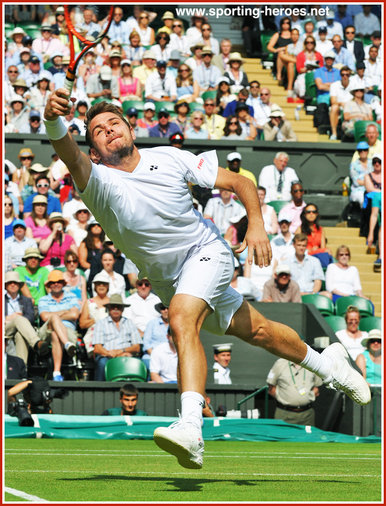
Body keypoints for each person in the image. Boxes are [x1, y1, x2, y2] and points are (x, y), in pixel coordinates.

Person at [43, 89, 371, 469]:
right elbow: (68, 151)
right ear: (95, 151)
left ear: (130, 128)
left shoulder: (169, 156)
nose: (109, 129)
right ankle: (330, 366)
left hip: (207, 252)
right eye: (98, 130)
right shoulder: (96, 181)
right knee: (259, 331)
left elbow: (240, 183)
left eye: (115, 122)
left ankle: (191, 429)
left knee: (182, 317)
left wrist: (257, 228)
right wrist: (52, 119)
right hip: (168, 279)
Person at [38, 270, 81, 381]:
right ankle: (67, 344)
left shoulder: (71, 296)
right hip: (46, 330)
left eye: (59, 281)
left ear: (63, 283)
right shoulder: (43, 299)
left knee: (55, 334)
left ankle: (56, 373)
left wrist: (53, 316)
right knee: (54, 320)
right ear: (49, 285)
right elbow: (44, 317)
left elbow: (75, 315)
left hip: (68, 330)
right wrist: (64, 312)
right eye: (52, 282)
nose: (56, 284)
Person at [92, 294, 141, 381]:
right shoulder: (101, 323)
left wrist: (121, 351)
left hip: (127, 355)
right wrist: (110, 354)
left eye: (118, 307)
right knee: (102, 363)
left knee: (140, 363)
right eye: (113, 307)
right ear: (108, 308)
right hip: (107, 356)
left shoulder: (130, 323)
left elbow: (137, 347)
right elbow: (97, 348)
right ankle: (99, 390)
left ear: (122, 309)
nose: (115, 309)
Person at [5, 271, 49, 365]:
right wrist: (9, 318)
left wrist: (17, 319)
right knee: (18, 319)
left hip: (21, 328)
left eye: (15, 283)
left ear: (19, 285)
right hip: (4, 328)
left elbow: (30, 318)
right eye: (10, 283)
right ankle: (36, 343)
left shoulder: (26, 300)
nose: (13, 285)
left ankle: (22, 370)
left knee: (20, 334)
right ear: (5, 285)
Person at [267, 358, 323, 426]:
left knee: (308, 436)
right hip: (284, 414)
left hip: (307, 415)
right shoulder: (280, 363)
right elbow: (271, 388)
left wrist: (307, 397)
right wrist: (285, 399)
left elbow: (316, 388)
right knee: (283, 436)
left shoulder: (312, 364)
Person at [79, 272, 109, 358]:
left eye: (104, 284)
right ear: (95, 286)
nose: (101, 286)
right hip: (94, 333)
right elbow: (82, 324)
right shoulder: (89, 303)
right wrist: (96, 319)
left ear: (107, 286)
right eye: (98, 284)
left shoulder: (113, 301)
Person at [142, 303, 169, 369]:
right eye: (163, 308)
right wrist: (156, 357)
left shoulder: (177, 324)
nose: (166, 310)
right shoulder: (152, 323)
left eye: (168, 308)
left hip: (171, 356)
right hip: (152, 355)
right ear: (160, 311)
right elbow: (146, 343)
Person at [329, 66, 353, 140]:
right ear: (340, 75)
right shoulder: (334, 85)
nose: (345, 77)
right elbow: (333, 101)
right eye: (343, 75)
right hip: (340, 107)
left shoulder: (354, 85)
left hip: (351, 107)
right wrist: (342, 104)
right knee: (334, 108)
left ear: (350, 75)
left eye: (347, 75)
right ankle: (334, 133)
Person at [266, 16, 292, 84]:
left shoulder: (293, 34)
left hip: (290, 54)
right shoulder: (278, 34)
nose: (285, 25)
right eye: (284, 23)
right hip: (280, 55)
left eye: (287, 23)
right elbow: (269, 47)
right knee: (281, 53)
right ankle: (279, 73)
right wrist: (276, 50)